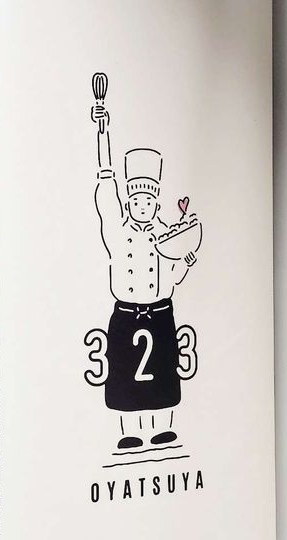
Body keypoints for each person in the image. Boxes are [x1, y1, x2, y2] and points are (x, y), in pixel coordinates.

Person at [91, 104, 197, 449]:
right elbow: (106, 190)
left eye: (148, 201)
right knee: (124, 373)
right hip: (126, 314)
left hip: (160, 313)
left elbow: (172, 278)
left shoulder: (166, 236)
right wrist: (103, 133)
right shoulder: (117, 234)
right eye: (136, 201)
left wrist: (186, 262)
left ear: (156, 203)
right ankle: (129, 431)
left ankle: (163, 427)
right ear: (129, 203)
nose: (142, 207)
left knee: (163, 369)